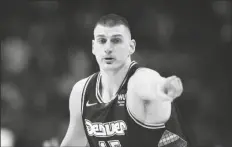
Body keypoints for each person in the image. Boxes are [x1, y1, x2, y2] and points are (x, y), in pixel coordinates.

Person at [43, 13, 189, 147]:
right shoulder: (81, 91)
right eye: (102, 41)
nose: (108, 48)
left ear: (131, 47)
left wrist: (164, 87)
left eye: (116, 40)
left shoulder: (138, 81)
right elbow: (75, 140)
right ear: (94, 47)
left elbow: (150, 83)